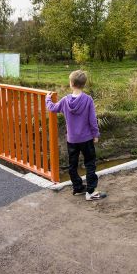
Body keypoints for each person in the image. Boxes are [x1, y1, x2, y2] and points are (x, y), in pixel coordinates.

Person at [46, 70, 106, 201]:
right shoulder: (88, 100)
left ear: (72, 84)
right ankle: (90, 192)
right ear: (83, 84)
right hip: (86, 139)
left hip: (72, 140)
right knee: (90, 164)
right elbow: (92, 119)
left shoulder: (65, 101)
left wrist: (47, 98)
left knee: (72, 165)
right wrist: (96, 134)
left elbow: (52, 108)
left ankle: (77, 188)